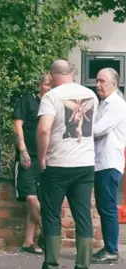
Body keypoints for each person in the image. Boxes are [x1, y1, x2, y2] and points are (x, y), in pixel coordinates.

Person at [36, 60, 98, 269]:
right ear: (71, 73)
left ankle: (52, 264)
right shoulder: (91, 95)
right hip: (85, 163)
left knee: (51, 213)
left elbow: (44, 129)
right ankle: (83, 265)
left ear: (52, 76)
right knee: (83, 215)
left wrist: (42, 157)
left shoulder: (51, 96)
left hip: (58, 164)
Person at [13, 73, 52, 254]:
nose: (48, 88)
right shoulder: (27, 101)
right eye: (46, 85)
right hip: (28, 157)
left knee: (38, 199)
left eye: (52, 86)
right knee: (30, 197)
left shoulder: (53, 105)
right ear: (39, 85)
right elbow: (17, 126)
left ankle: (28, 242)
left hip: (47, 158)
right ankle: (49, 232)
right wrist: (22, 150)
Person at [90, 68, 126, 264]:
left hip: (109, 162)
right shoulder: (105, 104)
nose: (98, 85)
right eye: (97, 80)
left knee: (108, 208)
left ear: (114, 84)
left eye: (102, 81)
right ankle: (108, 247)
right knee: (104, 208)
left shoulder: (116, 105)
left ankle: (111, 250)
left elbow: (97, 130)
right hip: (101, 162)